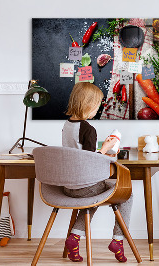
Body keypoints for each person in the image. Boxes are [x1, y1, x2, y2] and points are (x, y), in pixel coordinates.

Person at [62, 82, 132, 263]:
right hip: (85, 186)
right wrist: (107, 148)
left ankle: (74, 238)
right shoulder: (88, 129)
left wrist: (101, 149)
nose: (98, 109)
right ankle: (118, 240)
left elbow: (79, 154)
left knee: (92, 197)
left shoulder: (67, 125)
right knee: (127, 194)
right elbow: (90, 161)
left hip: (68, 186)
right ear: (88, 105)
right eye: (97, 105)